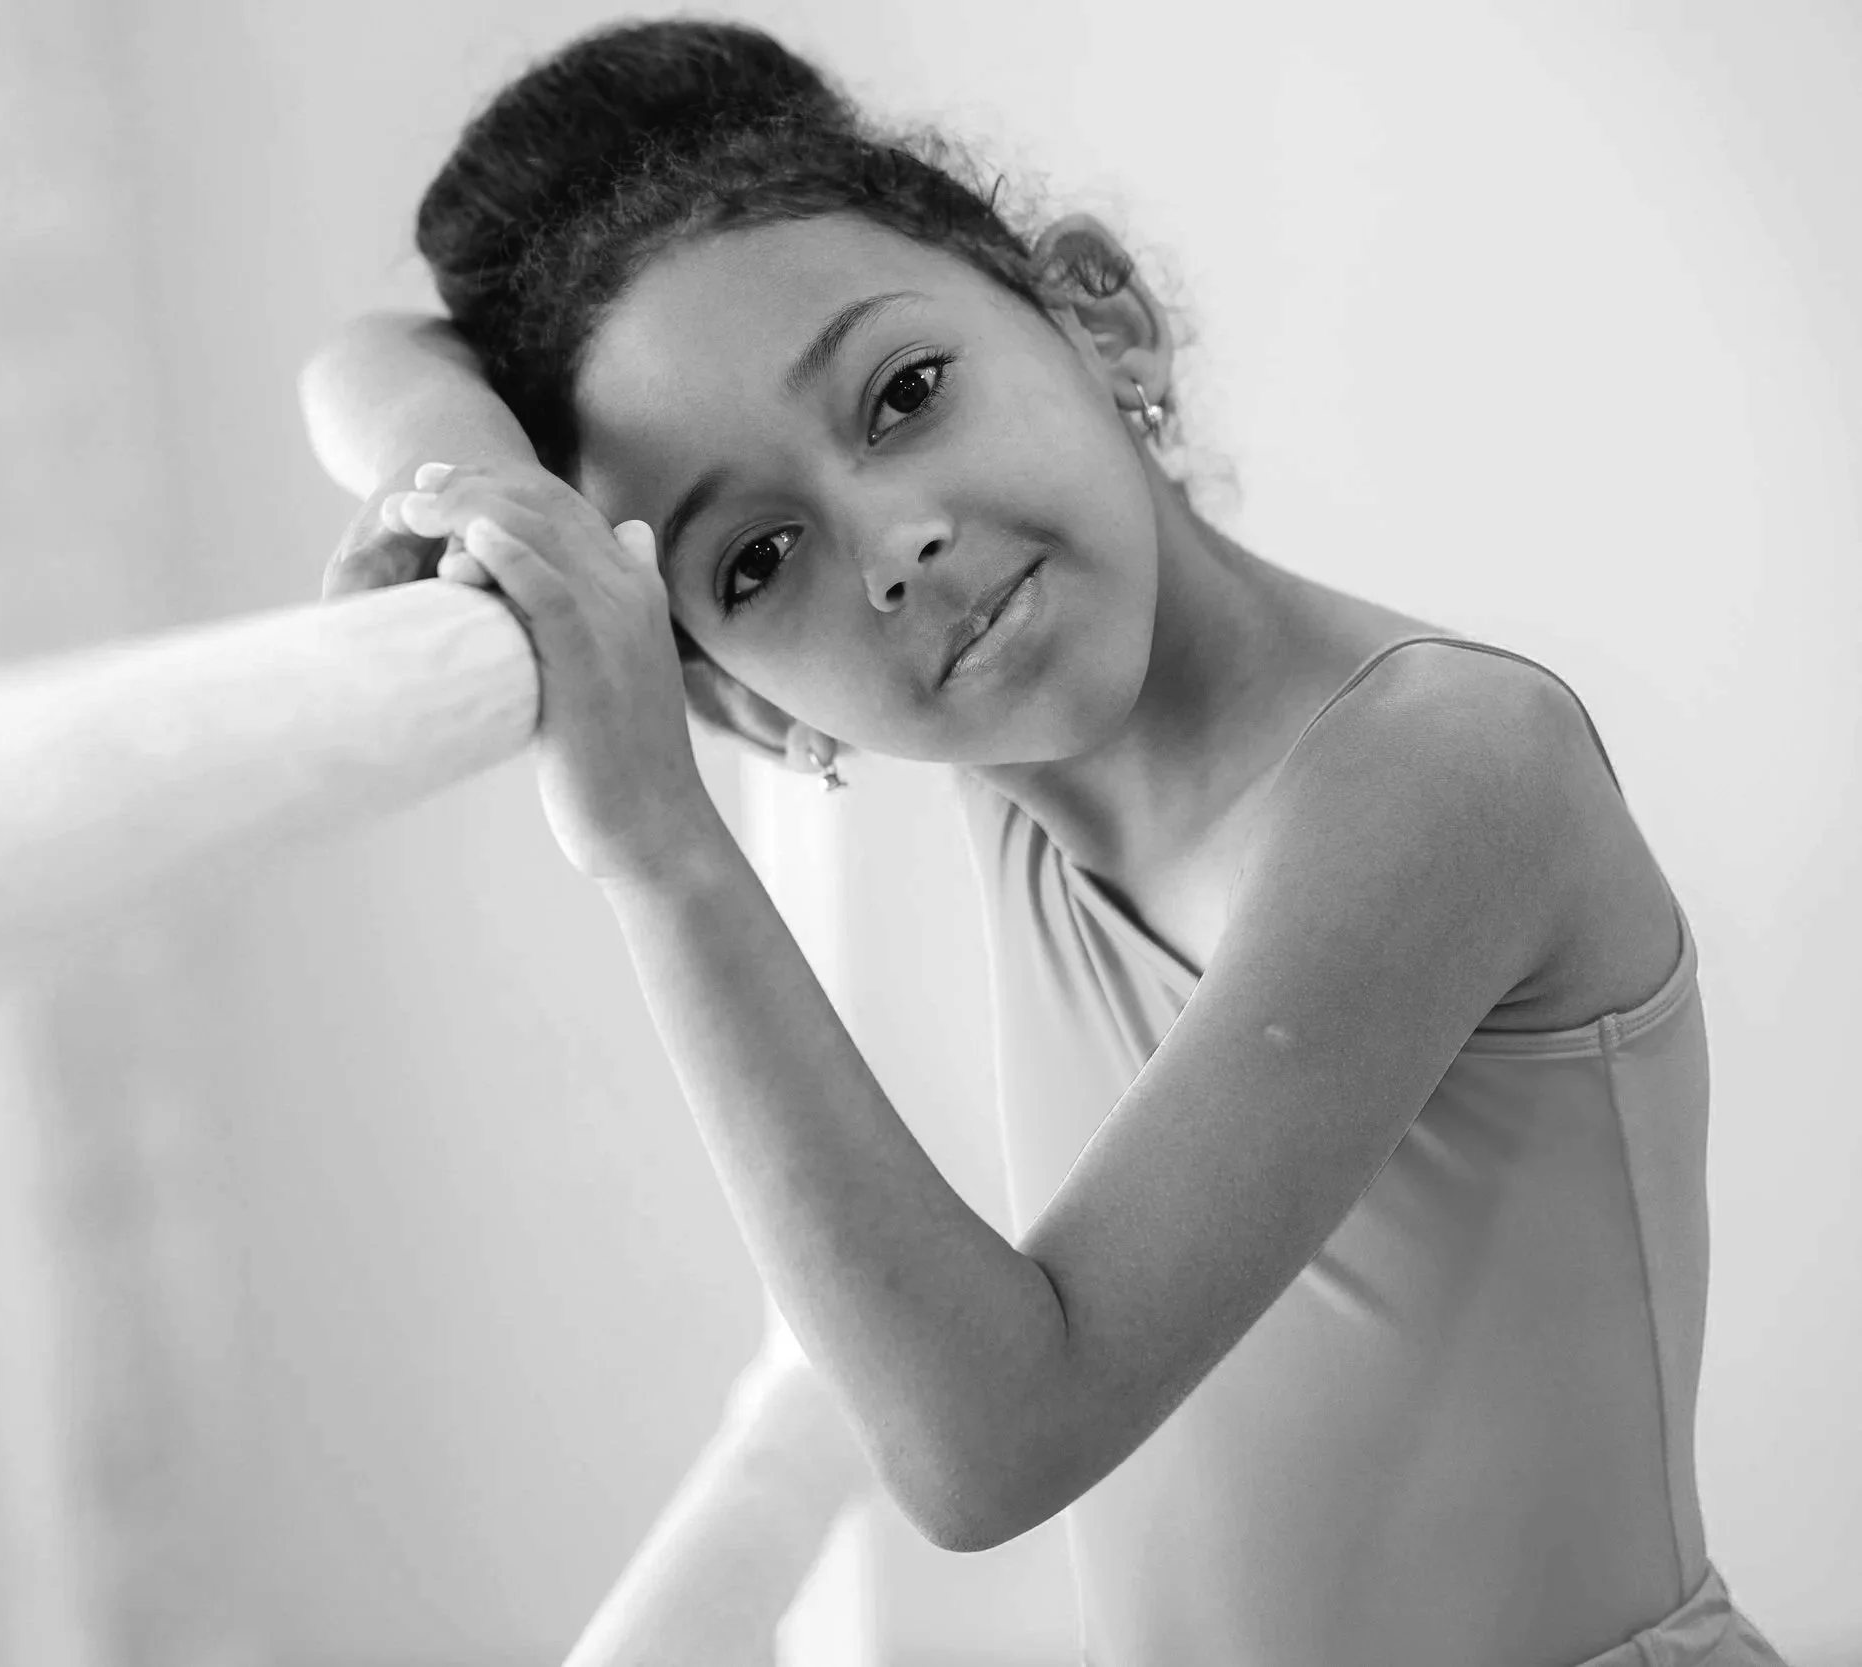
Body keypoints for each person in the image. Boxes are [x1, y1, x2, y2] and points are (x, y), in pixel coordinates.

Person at [296, 18, 1790, 1666]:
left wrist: (662, 846)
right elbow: (369, 357)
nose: (890, 544)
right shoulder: (1016, 755)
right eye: (756, 560)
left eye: (905, 394)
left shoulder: (1441, 770)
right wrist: (501, 508)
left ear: (1101, 318)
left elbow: (989, 1438)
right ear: (743, 701)